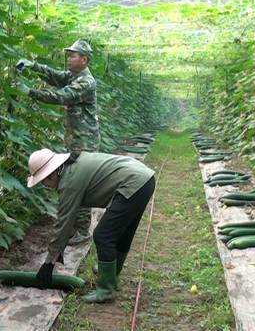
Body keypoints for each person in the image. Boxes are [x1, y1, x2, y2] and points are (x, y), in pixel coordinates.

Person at [27, 148, 155, 303]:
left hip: (133, 182)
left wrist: (48, 263)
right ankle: (112, 275)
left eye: (42, 181)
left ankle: (106, 290)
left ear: (51, 173)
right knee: (123, 234)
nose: (43, 185)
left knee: (103, 235)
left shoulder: (69, 182)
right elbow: (72, 217)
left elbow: (64, 224)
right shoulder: (72, 168)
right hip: (145, 180)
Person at [14, 39, 100, 245]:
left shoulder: (86, 82)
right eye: (69, 55)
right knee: (73, 181)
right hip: (76, 140)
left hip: (84, 142)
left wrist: (30, 92)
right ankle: (74, 227)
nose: (69, 59)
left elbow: (60, 97)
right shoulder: (74, 76)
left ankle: (82, 230)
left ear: (84, 60)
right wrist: (33, 66)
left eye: (73, 55)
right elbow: (55, 76)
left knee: (80, 184)